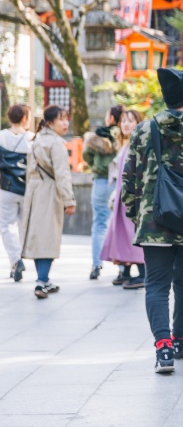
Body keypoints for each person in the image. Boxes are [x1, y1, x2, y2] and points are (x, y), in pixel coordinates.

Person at [122, 68, 183, 374]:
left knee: (156, 284)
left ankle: (162, 348)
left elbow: (129, 180)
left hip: (153, 222)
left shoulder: (142, 130)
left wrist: (135, 214)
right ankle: (179, 339)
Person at [21, 106, 77, 299]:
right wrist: (69, 200)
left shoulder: (36, 140)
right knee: (48, 237)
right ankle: (42, 281)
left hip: (34, 192)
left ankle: (43, 279)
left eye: (66, 119)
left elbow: (29, 171)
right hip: (50, 192)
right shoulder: (56, 143)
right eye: (61, 119)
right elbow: (62, 174)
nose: (65, 123)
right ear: (50, 122)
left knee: (39, 237)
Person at [100, 109, 145, 289]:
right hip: (122, 195)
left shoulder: (139, 145)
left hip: (133, 197)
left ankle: (143, 273)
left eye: (130, 121)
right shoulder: (126, 144)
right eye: (124, 121)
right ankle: (125, 270)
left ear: (138, 124)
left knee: (132, 233)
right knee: (120, 232)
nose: (126, 124)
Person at [83, 105, 123, 280]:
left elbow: (86, 154)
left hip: (100, 180)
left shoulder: (97, 136)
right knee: (120, 224)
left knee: (100, 223)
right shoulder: (123, 136)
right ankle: (123, 267)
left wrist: (96, 167)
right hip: (119, 181)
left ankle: (96, 265)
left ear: (112, 118)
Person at [0, 104, 33, 282]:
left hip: (6, 188)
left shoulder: (1, 137)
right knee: (23, 226)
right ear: (25, 118)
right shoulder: (32, 139)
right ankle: (19, 257)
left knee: (6, 226)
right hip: (27, 189)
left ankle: (15, 260)